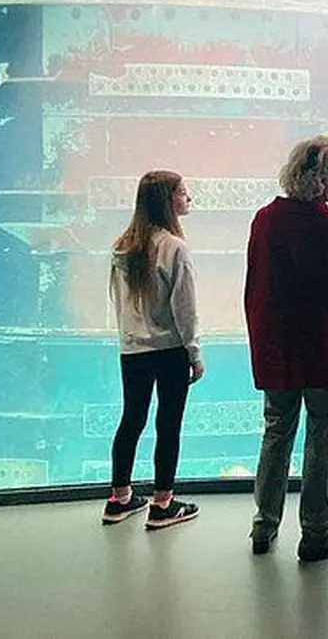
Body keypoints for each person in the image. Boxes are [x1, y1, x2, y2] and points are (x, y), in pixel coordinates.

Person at [244, 135, 328, 562]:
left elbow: (255, 288)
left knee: (276, 433)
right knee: (320, 439)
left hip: (277, 351)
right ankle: (315, 530)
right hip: (324, 353)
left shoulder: (264, 221)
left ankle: (264, 524)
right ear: (319, 176)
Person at [103, 170, 203, 529]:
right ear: (167, 201)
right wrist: (194, 353)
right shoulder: (174, 247)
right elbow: (184, 307)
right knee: (168, 424)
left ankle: (119, 498)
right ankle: (163, 504)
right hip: (170, 349)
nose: (188, 198)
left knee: (131, 419)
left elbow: (122, 306)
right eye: (182, 192)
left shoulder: (122, 246)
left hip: (132, 349)